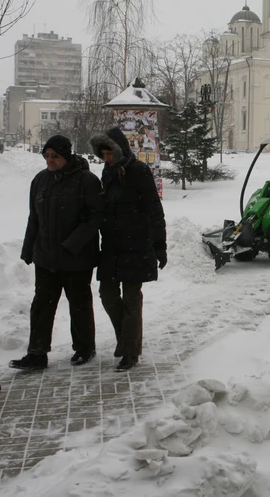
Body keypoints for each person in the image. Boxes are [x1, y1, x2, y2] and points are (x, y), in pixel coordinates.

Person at [11, 135, 104, 370]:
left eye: (55, 156)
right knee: (41, 305)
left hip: (77, 258)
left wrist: (73, 244)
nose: (50, 160)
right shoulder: (40, 181)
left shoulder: (86, 181)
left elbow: (95, 217)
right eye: (47, 155)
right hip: (46, 257)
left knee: (79, 304)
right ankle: (37, 353)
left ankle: (84, 348)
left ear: (67, 156)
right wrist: (28, 247)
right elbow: (35, 218)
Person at [90, 128, 167, 371]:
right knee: (107, 295)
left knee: (132, 299)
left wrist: (160, 246)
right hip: (112, 246)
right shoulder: (108, 171)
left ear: (119, 149)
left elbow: (155, 210)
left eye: (110, 153)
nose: (107, 158)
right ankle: (125, 339)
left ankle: (130, 352)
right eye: (103, 154)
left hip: (137, 244)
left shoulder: (139, 171)